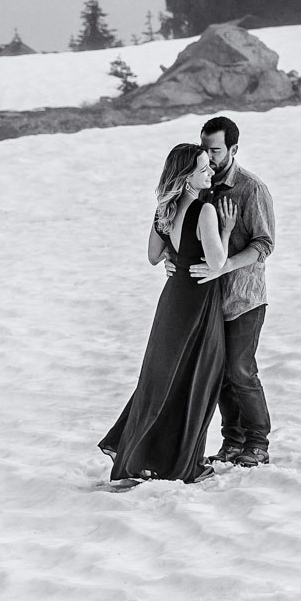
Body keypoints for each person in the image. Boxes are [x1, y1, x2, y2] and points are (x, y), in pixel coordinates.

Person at [97, 142, 230, 485]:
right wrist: (226, 231)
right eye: (203, 170)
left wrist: (175, 257)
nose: (210, 172)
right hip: (199, 302)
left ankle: (141, 453)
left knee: (162, 379)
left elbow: (154, 256)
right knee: (198, 377)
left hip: (172, 302)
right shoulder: (206, 211)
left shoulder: (164, 210)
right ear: (187, 178)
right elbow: (216, 263)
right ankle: (185, 463)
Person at [188, 115, 277, 467]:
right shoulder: (199, 184)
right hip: (209, 301)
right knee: (220, 373)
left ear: (233, 149)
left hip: (245, 297)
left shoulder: (251, 188)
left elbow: (265, 243)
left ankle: (258, 443)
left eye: (215, 150)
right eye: (204, 149)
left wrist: (225, 265)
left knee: (241, 371)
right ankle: (232, 441)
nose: (208, 158)